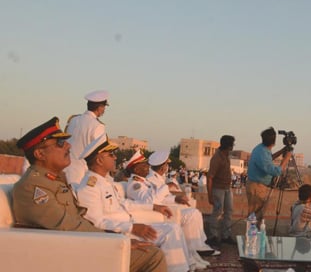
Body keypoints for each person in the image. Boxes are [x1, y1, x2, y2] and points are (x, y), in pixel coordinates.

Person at [12, 117, 167, 272]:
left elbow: (79, 219)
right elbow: (67, 226)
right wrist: (116, 239)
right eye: (59, 143)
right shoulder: (33, 187)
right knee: (153, 256)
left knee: (151, 250)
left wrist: (116, 237)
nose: (68, 145)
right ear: (39, 153)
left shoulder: (55, 179)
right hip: (67, 253)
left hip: (80, 243)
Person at [76, 136, 201, 272]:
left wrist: (153, 207)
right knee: (170, 232)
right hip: (119, 234)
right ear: (99, 160)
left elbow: (124, 203)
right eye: (111, 154)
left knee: (174, 228)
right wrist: (131, 228)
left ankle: (185, 267)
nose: (115, 158)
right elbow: (96, 223)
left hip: (129, 225)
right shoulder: (89, 187)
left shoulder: (104, 182)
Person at [124, 151, 218, 263]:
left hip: (159, 211)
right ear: (136, 170)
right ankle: (189, 255)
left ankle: (193, 250)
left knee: (192, 213)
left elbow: (159, 198)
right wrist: (166, 187)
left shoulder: (144, 182)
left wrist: (175, 199)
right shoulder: (136, 185)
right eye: (144, 165)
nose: (148, 167)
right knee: (186, 218)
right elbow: (151, 201)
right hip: (151, 216)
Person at [246, 127, 293, 222]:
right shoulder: (262, 152)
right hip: (257, 187)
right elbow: (276, 172)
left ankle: (255, 234)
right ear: (273, 141)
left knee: (256, 215)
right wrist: (286, 158)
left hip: (256, 185)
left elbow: (269, 158)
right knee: (255, 216)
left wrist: (281, 151)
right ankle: (253, 235)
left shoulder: (261, 148)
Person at [64, 90, 110, 186]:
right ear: (100, 107)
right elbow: (100, 152)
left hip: (65, 167)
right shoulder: (98, 126)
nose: (104, 110)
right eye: (104, 107)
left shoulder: (73, 120)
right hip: (82, 173)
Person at [206, 135, 235, 246]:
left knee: (228, 212)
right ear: (229, 146)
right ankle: (214, 236)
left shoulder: (226, 155)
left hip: (227, 189)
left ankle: (225, 235)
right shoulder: (217, 158)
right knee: (217, 212)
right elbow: (210, 177)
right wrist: (210, 196)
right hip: (218, 189)